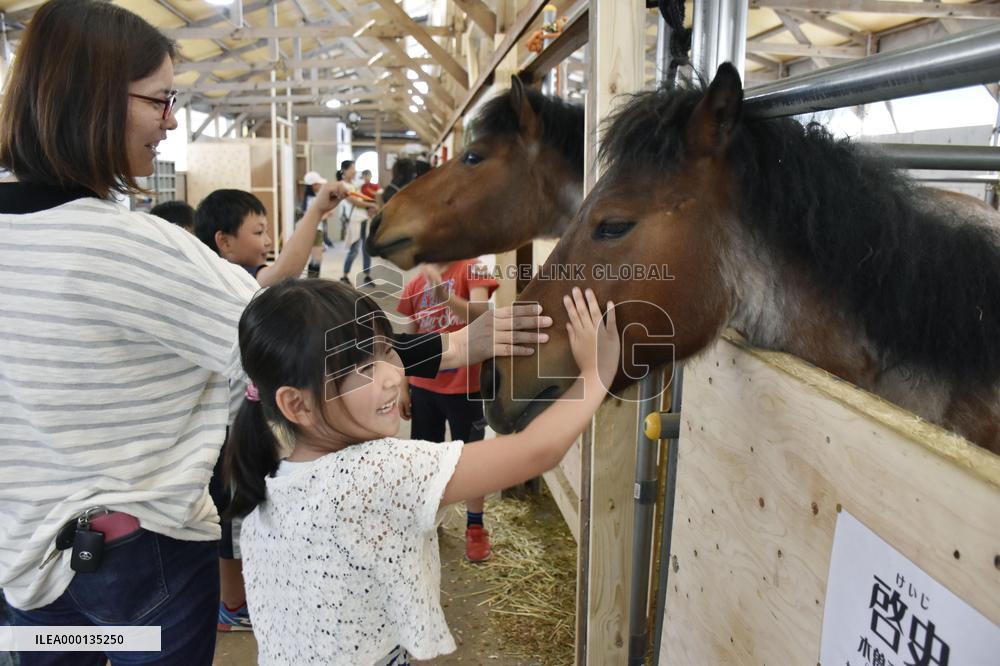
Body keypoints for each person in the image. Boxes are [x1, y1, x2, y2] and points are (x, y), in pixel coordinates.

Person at [0, 2, 550, 662]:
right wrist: (458, 346)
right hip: (134, 560)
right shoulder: (127, 246)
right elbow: (299, 343)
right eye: (160, 99)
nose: (171, 119)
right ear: (94, 100)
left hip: (23, 564)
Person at [226, 281, 619, 665]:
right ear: (298, 405)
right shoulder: (377, 471)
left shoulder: (272, 485)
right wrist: (596, 373)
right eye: (365, 368)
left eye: (387, 352)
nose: (392, 376)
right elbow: (536, 451)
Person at [397, 261, 499, 561]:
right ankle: (429, 520)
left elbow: (481, 316)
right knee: (424, 459)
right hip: (424, 388)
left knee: (471, 459)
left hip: (465, 388)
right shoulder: (415, 284)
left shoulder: (473, 269)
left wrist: (446, 298)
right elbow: (408, 341)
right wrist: (403, 386)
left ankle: (475, 527)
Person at [194, 187, 344, 287]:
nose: (269, 242)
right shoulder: (240, 275)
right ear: (225, 242)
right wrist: (317, 210)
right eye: (259, 232)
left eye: (266, 232)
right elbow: (283, 274)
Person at [337, 160, 377, 285]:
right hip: (354, 219)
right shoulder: (342, 185)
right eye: (352, 168)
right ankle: (344, 275)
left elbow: (363, 196)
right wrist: (372, 205)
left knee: (366, 249)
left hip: (364, 218)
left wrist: (370, 206)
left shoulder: (355, 183)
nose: (354, 171)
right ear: (344, 170)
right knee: (354, 250)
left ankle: (367, 276)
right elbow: (354, 201)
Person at [299, 171, 329, 277]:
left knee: (315, 258)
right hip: (316, 230)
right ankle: (313, 281)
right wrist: (327, 214)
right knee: (317, 259)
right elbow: (314, 218)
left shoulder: (308, 199)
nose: (321, 186)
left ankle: (312, 280)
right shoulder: (313, 200)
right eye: (319, 184)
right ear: (314, 185)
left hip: (314, 230)